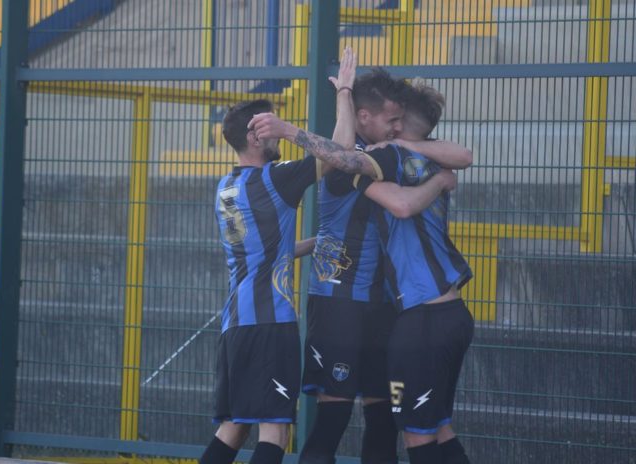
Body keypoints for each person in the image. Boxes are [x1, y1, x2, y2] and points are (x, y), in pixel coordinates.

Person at [203, 98, 400, 464]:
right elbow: (339, 152)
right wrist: (341, 94)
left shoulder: (226, 186)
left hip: (234, 325)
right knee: (275, 431)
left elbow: (263, 250)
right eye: (271, 126)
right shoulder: (274, 179)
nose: (277, 133)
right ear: (255, 136)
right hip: (269, 324)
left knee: (233, 427)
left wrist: (317, 243)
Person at [299, 48, 471, 464]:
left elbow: (461, 156)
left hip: (389, 307)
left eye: (399, 120)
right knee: (335, 419)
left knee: (386, 423)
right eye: (390, 119)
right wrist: (341, 95)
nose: (395, 126)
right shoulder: (357, 159)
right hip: (341, 302)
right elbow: (343, 159)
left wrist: (409, 145)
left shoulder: (399, 153)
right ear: (364, 117)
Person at [352, 78, 475, 464]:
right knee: (439, 427)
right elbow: (464, 155)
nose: (389, 124)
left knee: (417, 435)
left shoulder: (390, 156)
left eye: (394, 119)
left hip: (423, 321)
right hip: (450, 314)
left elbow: (401, 205)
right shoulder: (434, 158)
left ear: (400, 123)